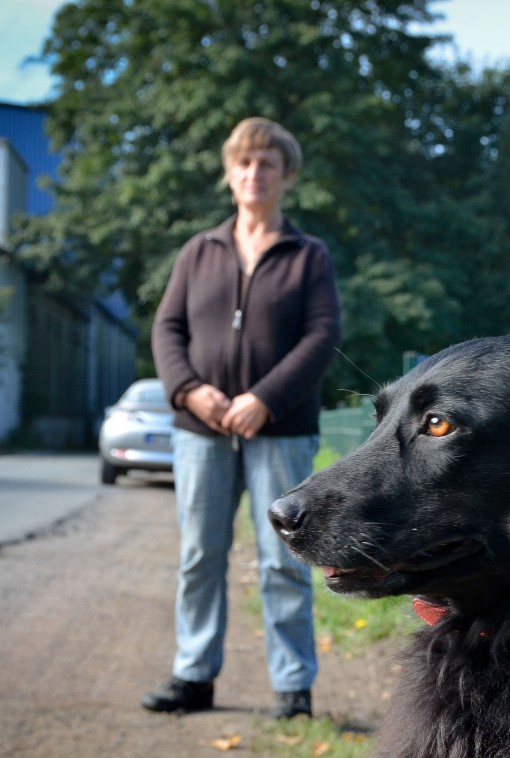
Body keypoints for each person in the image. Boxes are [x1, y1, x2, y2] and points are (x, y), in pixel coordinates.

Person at [143, 117, 341, 720]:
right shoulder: (197, 251)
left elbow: (322, 335)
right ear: (229, 174)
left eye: (267, 165)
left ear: (287, 177)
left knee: (284, 557)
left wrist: (265, 398)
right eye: (244, 164)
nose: (254, 174)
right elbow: (167, 329)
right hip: (201, 432)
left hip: (279, 430)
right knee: (200, 554)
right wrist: (188, 390)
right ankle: (193, 674)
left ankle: (292, 686)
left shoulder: (308, 255)